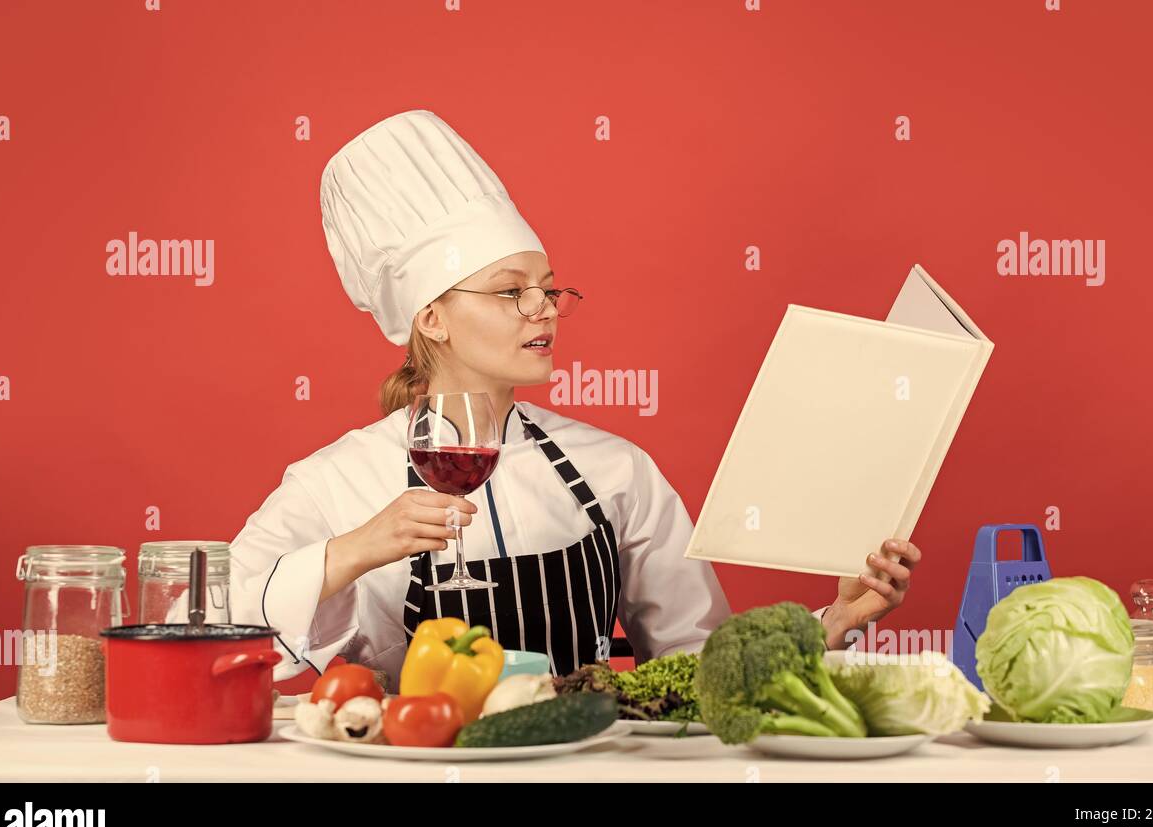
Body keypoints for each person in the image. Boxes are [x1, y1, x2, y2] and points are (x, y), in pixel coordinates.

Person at [230, 109, 921, 687]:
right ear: (431, 317)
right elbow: (219, 618)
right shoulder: (337, 482)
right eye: (511, 291)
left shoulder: (614, 469)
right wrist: (353, 549)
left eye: (549, 288)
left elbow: (696, 662)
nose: (545, 310)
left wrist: (830, 625)